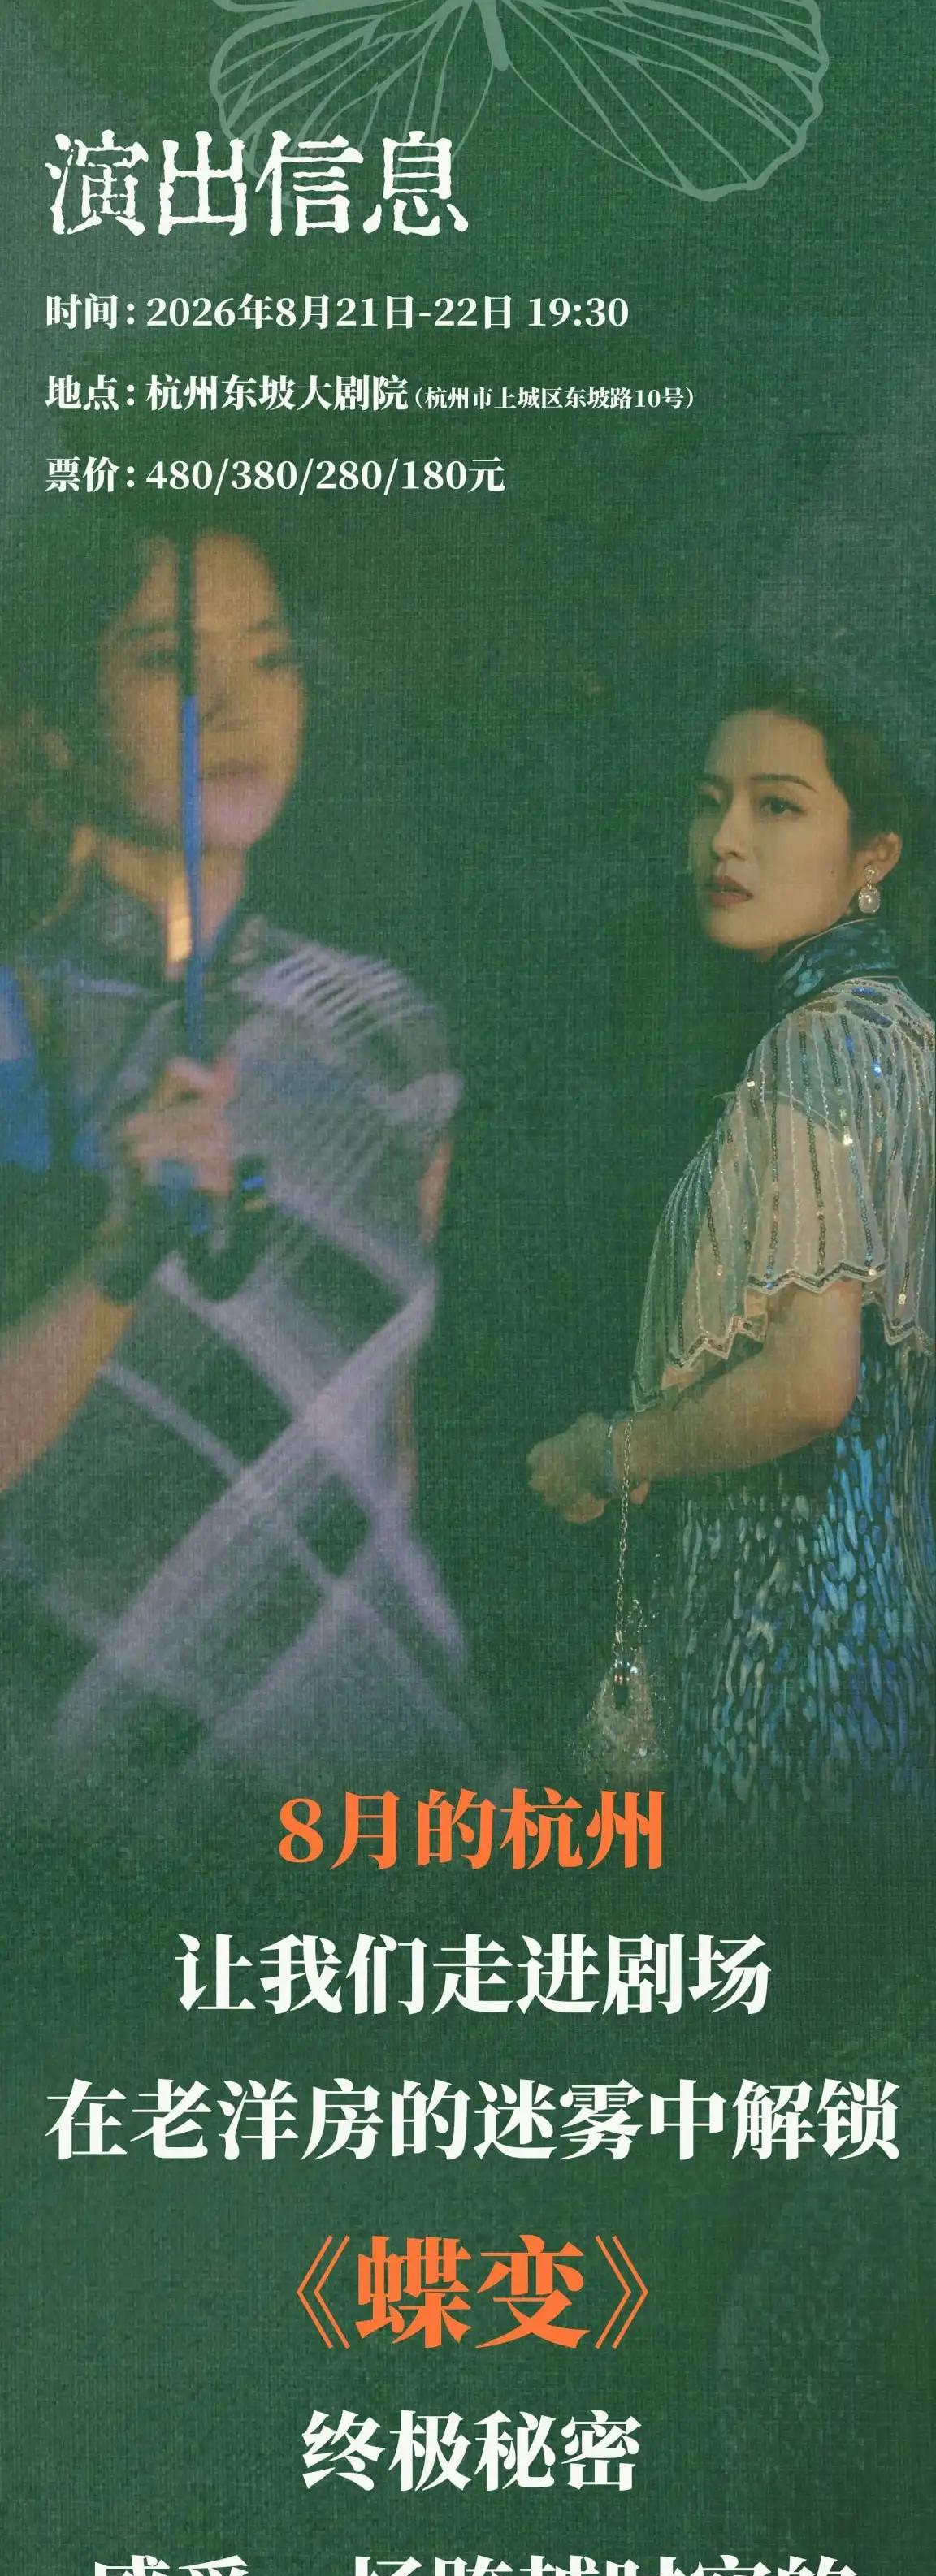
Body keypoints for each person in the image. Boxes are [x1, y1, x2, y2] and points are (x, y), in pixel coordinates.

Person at [0, 520, 479, 1795]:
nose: (235, 704)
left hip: (384, 1735)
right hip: (84, 1776)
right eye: (170, 661)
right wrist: (114, 1255)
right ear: (54, 721)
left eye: (271, 658)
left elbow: (373, 1426)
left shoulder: (383, 1029)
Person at [527, 687, 934, 1810]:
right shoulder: (898, 1036)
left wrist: (613, 1455)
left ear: (875, 854)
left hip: (789, 1629)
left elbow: (811, 1385)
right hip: (881, 1613)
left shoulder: (819, 1047)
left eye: (779, 805)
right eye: (711, 801)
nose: (726, 840)